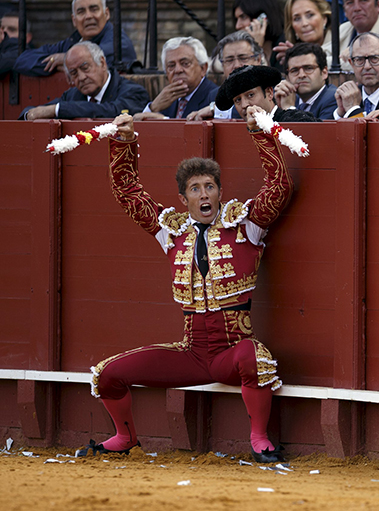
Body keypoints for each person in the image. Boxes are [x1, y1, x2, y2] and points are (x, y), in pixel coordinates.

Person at [84, 105, 293, 463]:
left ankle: (260, 439)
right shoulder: (172, 231)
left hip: (232, 349)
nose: (204, 194)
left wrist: (261, 134)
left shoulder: (246, 226)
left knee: (255, 359)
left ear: (220, 192)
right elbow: (128, 193)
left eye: (210, 186)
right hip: (192, 352)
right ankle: (124, 436)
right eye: (195, 189)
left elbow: (279, 188)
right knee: (107, 375)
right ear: (185, 199)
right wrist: (124, 141)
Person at [13, 0, 136, 77]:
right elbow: (22, 60)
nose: (88, 16)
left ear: (107, 14)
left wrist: (66, 60)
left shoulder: (119, 41)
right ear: (74, 20)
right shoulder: (73, 41)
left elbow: (94, 58)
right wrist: (55, 63)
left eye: (94, 9)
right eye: (81, 12)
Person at [19, 41, 149, 120]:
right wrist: (29, 115)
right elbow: (33, 111)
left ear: (102, 63)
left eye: (85, 68)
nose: (81, 77)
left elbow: (111, 111)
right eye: (74, 73)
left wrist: (58, 110)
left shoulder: (133, 91)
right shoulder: (72, 95)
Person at [136, 38, 218, 121]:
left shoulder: (215, 97)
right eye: (171, 66)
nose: (178, 70)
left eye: (185, 64)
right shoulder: (167, 98)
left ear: (203, 68)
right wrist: (153, 107)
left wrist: (166, 120)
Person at [323, 0, 379, 70]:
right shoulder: (344, 28)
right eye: (350, 2)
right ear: (344, 10)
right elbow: (317, 59)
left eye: (363, 0)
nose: (357, 8)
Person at [217, 64, 320, 122]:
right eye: (238, 100)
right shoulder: (238, 132)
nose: (244, 105)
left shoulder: (291, 118)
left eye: (251, 95)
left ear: (269, 93)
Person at [274, 42, 339, 119]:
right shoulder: (289, 98)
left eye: (308, 68)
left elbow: (317, 131)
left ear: (324, 72)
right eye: (294, 70)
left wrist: (289, 109)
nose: (301, 75)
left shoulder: (333, 98)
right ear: (287, 78)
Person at [273, 0, 332, 65]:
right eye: (297, 19)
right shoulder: (288, 55)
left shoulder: (344, 41)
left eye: (310, 15)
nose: (304, 23)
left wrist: (300, 59)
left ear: (324, 19)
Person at [233, 0, 286, 68]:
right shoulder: (237, 46)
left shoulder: (284, 46)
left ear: (263, 18)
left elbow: (267, 79)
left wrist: (257, 48)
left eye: (243, 17)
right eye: (236, 19)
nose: (237, 26)